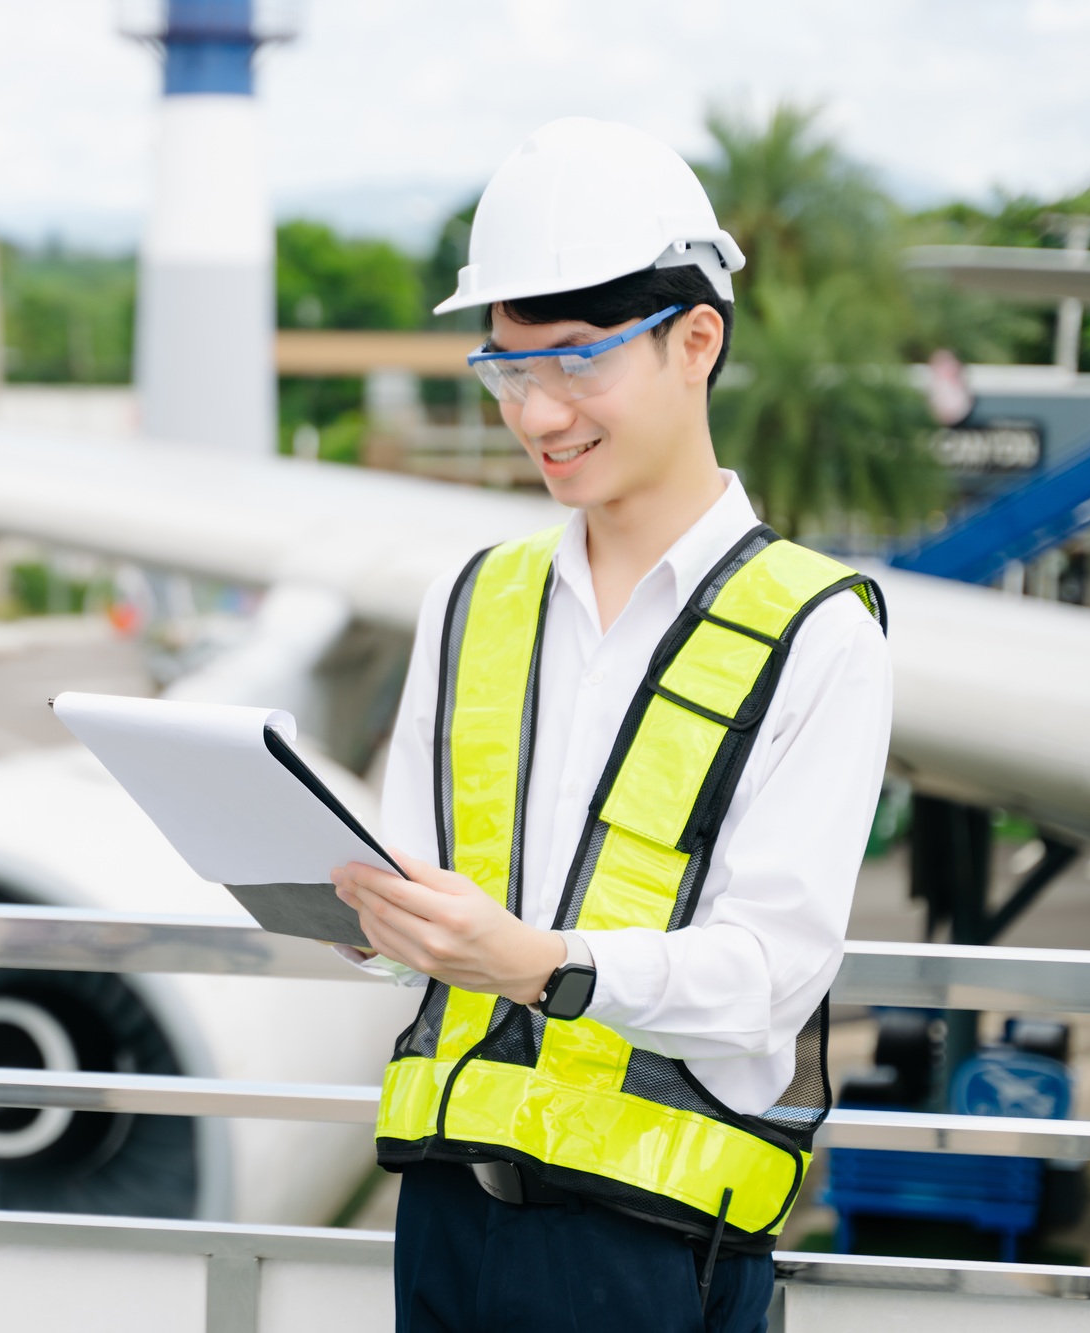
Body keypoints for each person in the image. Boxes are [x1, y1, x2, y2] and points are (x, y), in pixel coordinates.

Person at [331, 118, 893, 1333]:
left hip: (653, 1252)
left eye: (577, 363)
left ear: (696, 341)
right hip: (440, 1218)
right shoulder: (472, 597)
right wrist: (360, 912)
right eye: (507, 371)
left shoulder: (815, 629)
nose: (537, 415)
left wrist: (534, 962)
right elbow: (420, 907)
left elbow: (767, 979)